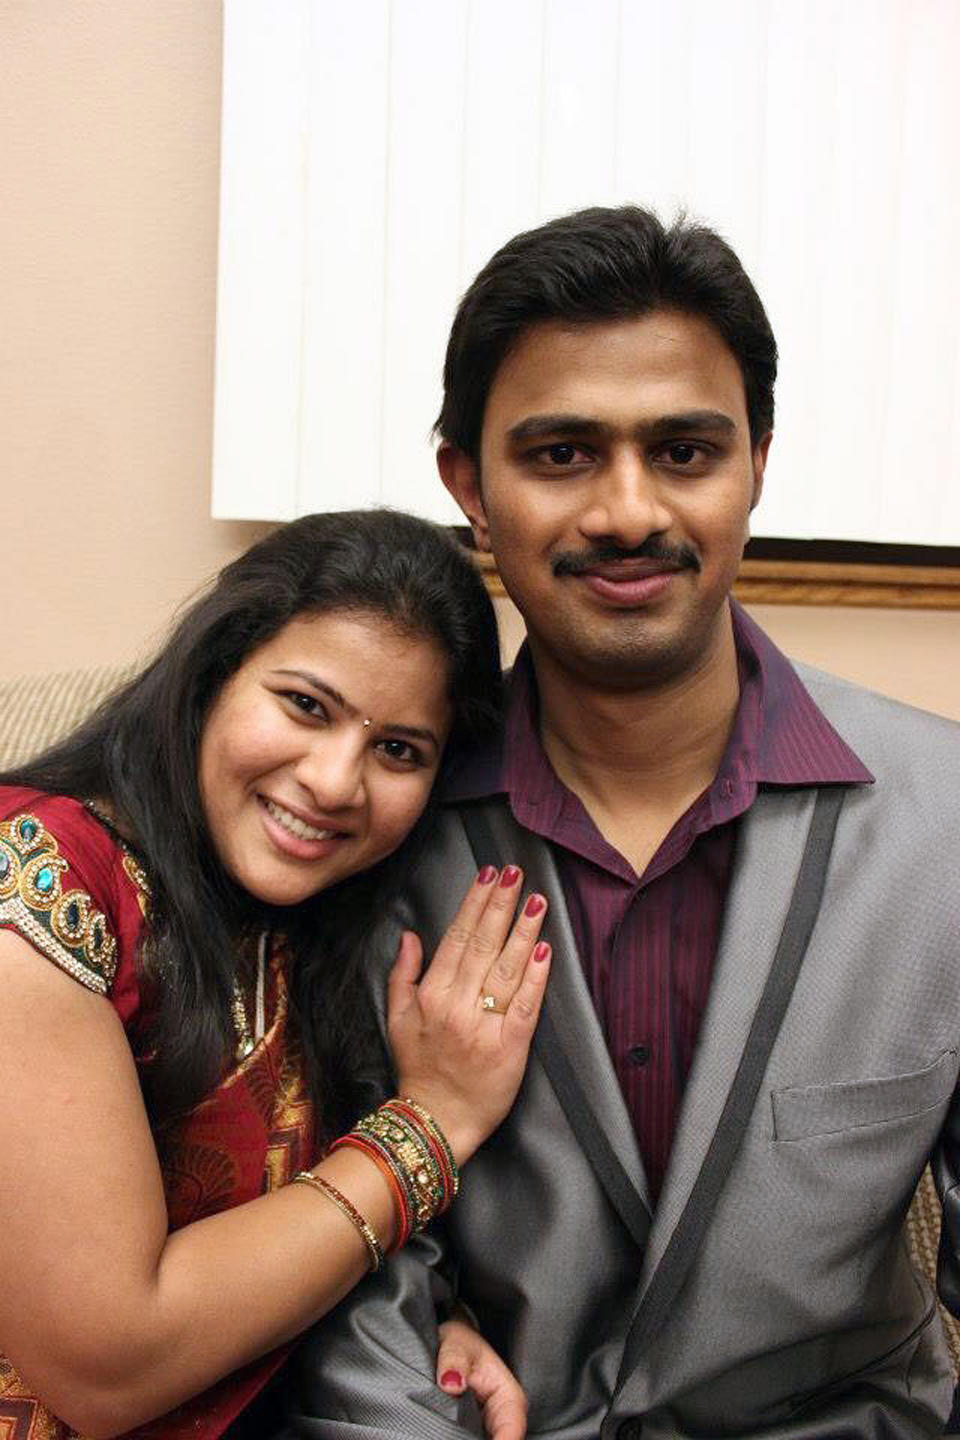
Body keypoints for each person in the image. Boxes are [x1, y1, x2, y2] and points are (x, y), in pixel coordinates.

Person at [286, 208, 960, 1438]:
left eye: (686, 452)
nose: (628, 512)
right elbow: (345, 1271)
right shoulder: (364, 816)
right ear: (467, 485)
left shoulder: (945, 824)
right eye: (561, 455)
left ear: (759, 460)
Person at [0, 509, 552, 1439]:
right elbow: (106, 1365)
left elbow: (277, 1241)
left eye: (398, 750)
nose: (337, 781)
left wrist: (415, 1326)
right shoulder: (38, 887)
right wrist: (434, 1124)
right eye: (306, 705)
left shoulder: (301, 919)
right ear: (213, 676)